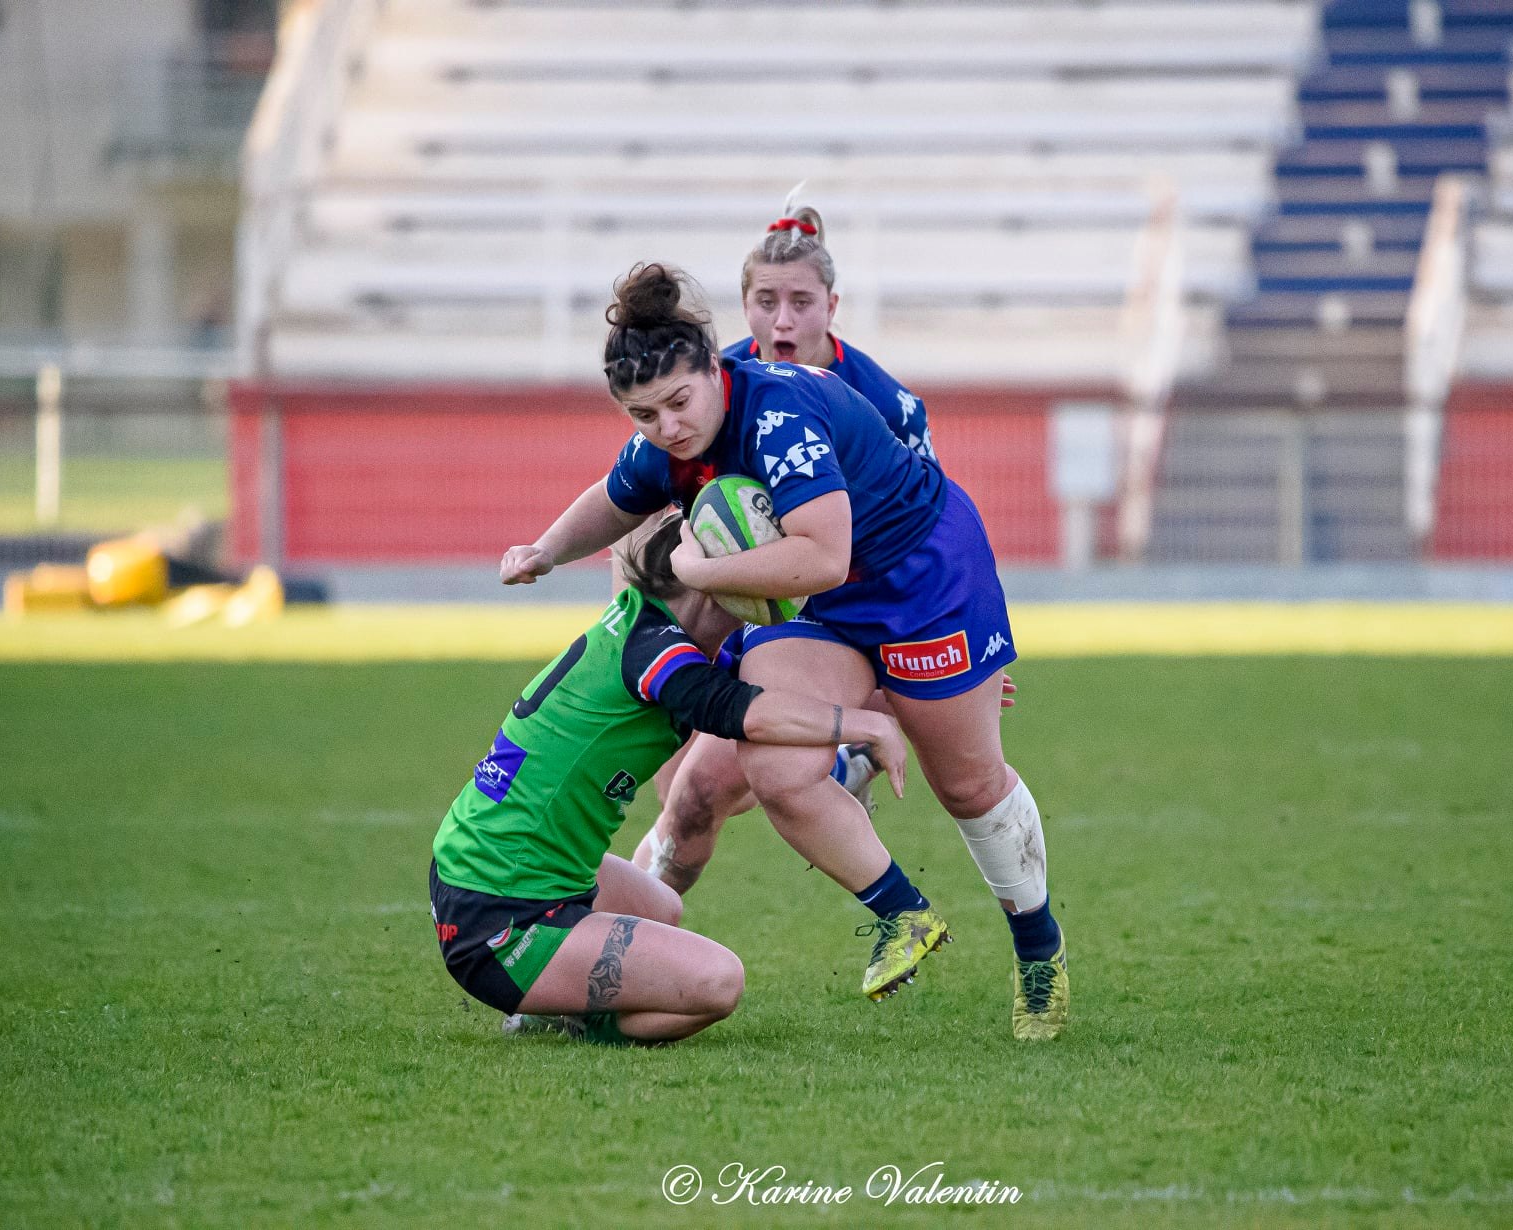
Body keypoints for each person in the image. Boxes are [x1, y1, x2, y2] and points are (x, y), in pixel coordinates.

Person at [500, 262, 1069, 1040]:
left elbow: (825, 554)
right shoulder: (670, 438)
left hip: (923, 580)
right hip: (826, 599)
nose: (667, 426)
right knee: (768, 753)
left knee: (967, 786)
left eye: (678, 402)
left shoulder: (776, 414)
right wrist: (544, 549)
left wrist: (698, 569)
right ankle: (903, 914)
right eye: (644, 415)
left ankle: (1039, 953)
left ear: (713, 367)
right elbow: (614, 497)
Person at [632, 199, 998, 894]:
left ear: (832, 305)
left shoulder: (885, 404)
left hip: (862, 616)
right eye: (765, 301)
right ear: (744, 305)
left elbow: (929, 543)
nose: (781, 321)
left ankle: (622, 950)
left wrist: (965, 651)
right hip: (771, 611)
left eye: (800, 301)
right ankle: (629, 956)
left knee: (700, 789)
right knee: (683, 789)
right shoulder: (714, 384)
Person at [435, 513, 912, 1045]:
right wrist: (864, 725)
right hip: (498, 910)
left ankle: (557, 994)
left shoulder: (657, 630)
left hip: (492, 867)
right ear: (719, 584)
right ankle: (576, 1016)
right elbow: (743, 712)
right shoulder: (658, 654)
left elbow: (785, 694)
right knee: (717, 983)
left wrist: (925, 696)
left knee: (662, 908)